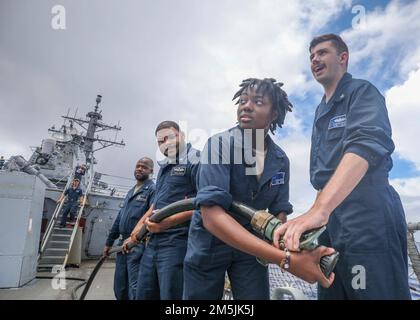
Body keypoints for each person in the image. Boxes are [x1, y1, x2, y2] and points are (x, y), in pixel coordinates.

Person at [274, 34, 411, 300]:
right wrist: (312, 219)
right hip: (331, 225)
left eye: (322, 53)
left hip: (368, 216)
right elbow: (322, 178)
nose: (315, 59)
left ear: (343, 57)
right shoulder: (319, 112)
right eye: (311, 56)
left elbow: (365, 145)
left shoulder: (362, 92)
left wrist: (319, 210)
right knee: (332, 290)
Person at [183, 78, 335, 300]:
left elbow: (279, 210)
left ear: (274, 114)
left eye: (258, 102)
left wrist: (285, 245)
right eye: (243, 100)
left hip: (252, 251)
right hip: (210, 245)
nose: (246, 105)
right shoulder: (219, 144)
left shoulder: (280, 159)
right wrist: (285, 259)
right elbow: (212, 217)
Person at [124, 121, 200, 300]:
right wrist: (138, 229)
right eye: (160, 141)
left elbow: (206, 204)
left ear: (181, 135)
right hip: (152, 243)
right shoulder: (165, 167)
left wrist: (170, 222)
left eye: (169, 137)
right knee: (144, 294)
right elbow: (156, 204)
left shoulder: (197, 159)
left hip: (178, 244)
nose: (165, 143)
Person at [103, 157, 155, 300]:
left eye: (144, 167)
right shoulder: (130, 192)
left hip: (138, 244)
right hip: (122, 245)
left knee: (135, 288)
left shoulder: (152, 190)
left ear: (151, 171)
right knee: (120, 286)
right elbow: (120, 217)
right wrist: (109, 242)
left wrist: (136, 237)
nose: (139, 168)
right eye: (138, 166)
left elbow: (152, 217)